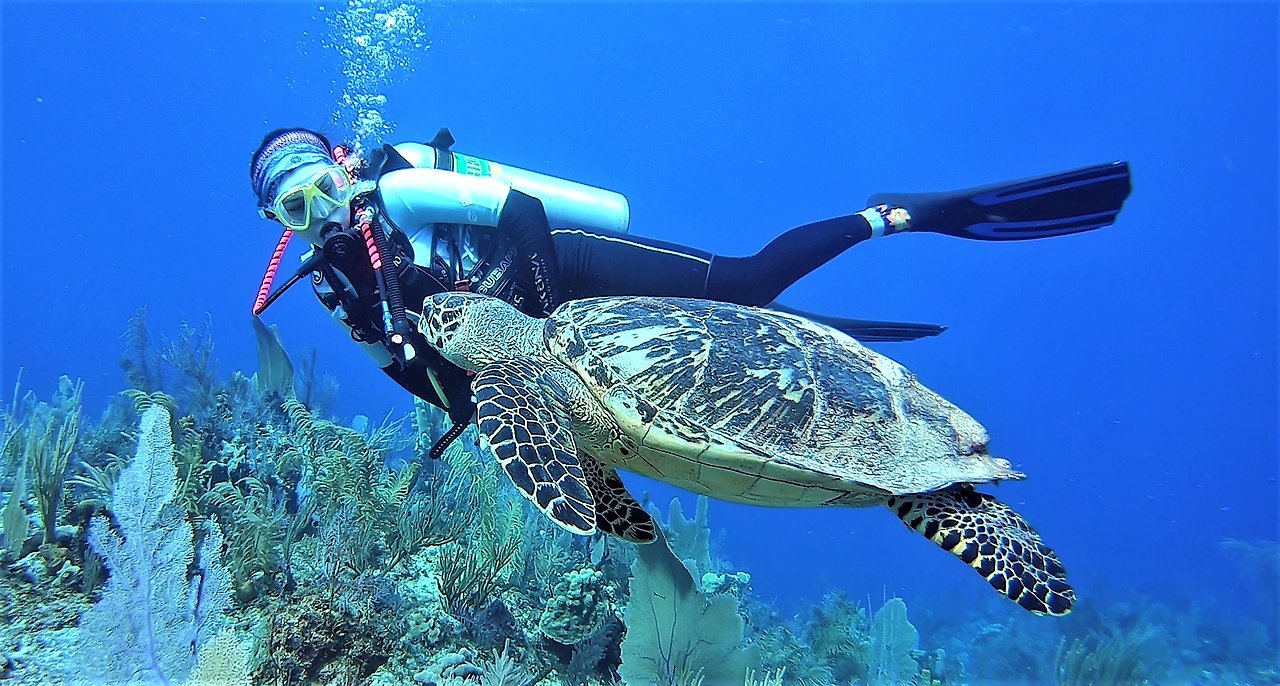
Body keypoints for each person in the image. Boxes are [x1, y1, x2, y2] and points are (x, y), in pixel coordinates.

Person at [248, 127, 1131, 448]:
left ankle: (890, 216)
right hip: (543, 345)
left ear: (340, 170)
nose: (317, 213)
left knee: (749, 287)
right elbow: (407, 372)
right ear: (281, 224)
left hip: (565, 270)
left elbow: (518, 210)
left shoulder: (400, 191)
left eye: (319, 188)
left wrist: (544, 315)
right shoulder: (335, 286)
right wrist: (479, 406)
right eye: (294, 210)